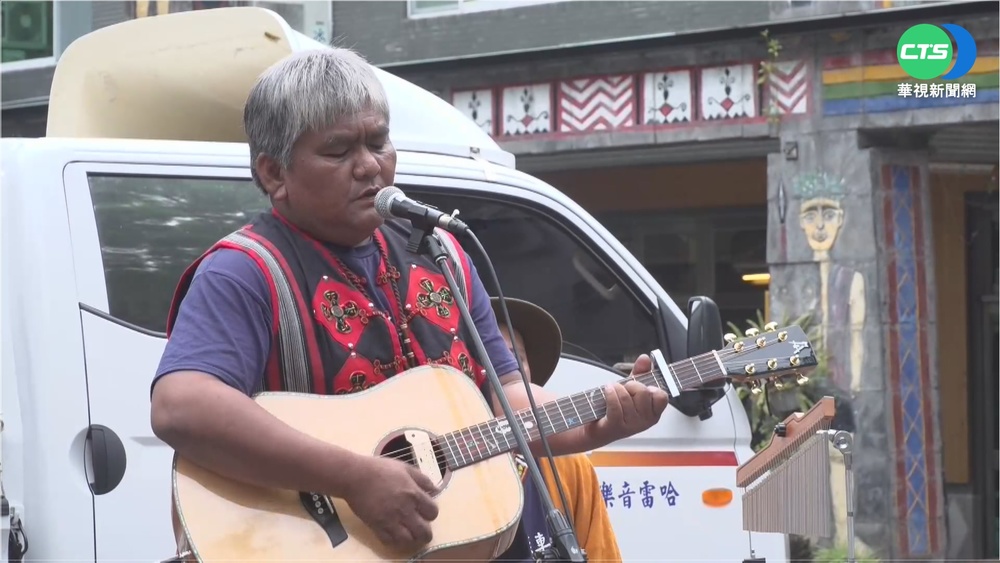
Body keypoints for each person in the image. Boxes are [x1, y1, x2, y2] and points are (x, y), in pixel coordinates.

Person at [150, 47, 668, 559]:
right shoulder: (243, 271)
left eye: (379, 142)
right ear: (273, 174)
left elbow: (506, 401)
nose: (370, 166)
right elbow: (181, 406)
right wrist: (354, 477)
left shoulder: (442, 253)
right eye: (338, 151)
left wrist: (605, 422)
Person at [490, 297, 622, 562]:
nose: (505, 370)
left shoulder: (569, 466)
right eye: (491, 359)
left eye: (516, 359)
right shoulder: (436, 472)